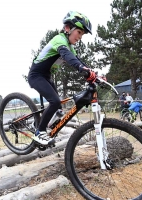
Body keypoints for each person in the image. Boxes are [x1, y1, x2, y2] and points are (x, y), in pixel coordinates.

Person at [27, 11, 95, 146]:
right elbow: (68, 57)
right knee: (55, 102)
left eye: (82, 34)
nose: (80, 37)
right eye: (79, 32)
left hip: (46, 77)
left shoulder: (69, 46)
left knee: (58, 107)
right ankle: (39, 132)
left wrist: (93, 73)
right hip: (36, 76)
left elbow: (77, 60)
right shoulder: (59, 40)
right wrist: (82, 69)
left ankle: (43, 125)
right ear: (68, 28)